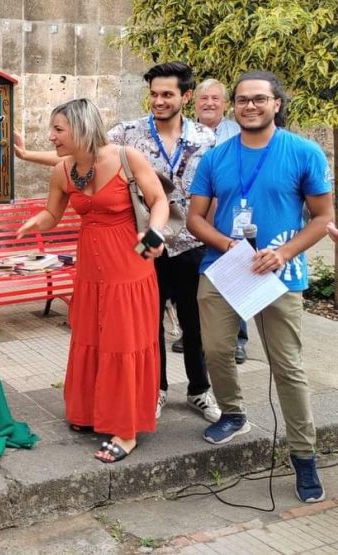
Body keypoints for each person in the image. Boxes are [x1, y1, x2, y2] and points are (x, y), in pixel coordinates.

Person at [188, 70, 334, 503]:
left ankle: (303, 456)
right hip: (223, 268)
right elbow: (196, 218)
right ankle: (232, 413)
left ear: (276, 104)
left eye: (258, 99)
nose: (249, 106)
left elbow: (324, 219)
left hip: (279, 273)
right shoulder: (216, 157)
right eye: (242, 100)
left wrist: (285, 253)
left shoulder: (303, 152)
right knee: (214, 350)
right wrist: (228, 244)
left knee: (287, 367)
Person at [17, 99, 168, 463]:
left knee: (124, 344)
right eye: (52, 130)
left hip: (130, 267)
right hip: (89, 270)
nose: (51, 137)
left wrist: (155, 233)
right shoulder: (64, 171)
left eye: (58, 130)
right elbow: (54, 213)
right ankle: (89, 413)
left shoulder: (127, 158)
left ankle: (126, 430)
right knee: (91, 339)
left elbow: (159, 199)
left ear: (82, 128)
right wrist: (36, 223)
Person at [107, 62, 220, 424]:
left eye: (167, 94)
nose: (158, 101)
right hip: (145, 242)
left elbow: (218, 190)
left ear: (186, 97)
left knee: (195, 323)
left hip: (191, 242)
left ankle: (199, 390)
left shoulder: (207, 138)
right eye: (154, 94)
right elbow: (86, 153)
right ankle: (155, 389)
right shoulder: (127, 134)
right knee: (147, 322)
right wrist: (29, 155)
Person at [173, 78, 249, 363]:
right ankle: (193, 334)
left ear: (225, 104)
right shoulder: (186, 133)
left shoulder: (238, 132)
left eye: (216, 98)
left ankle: (238, 339)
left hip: (231, 217)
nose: (209, 103)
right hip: (194, 219)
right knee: (195, 283)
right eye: (204, 98)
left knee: (236, 277)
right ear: (195, 101)